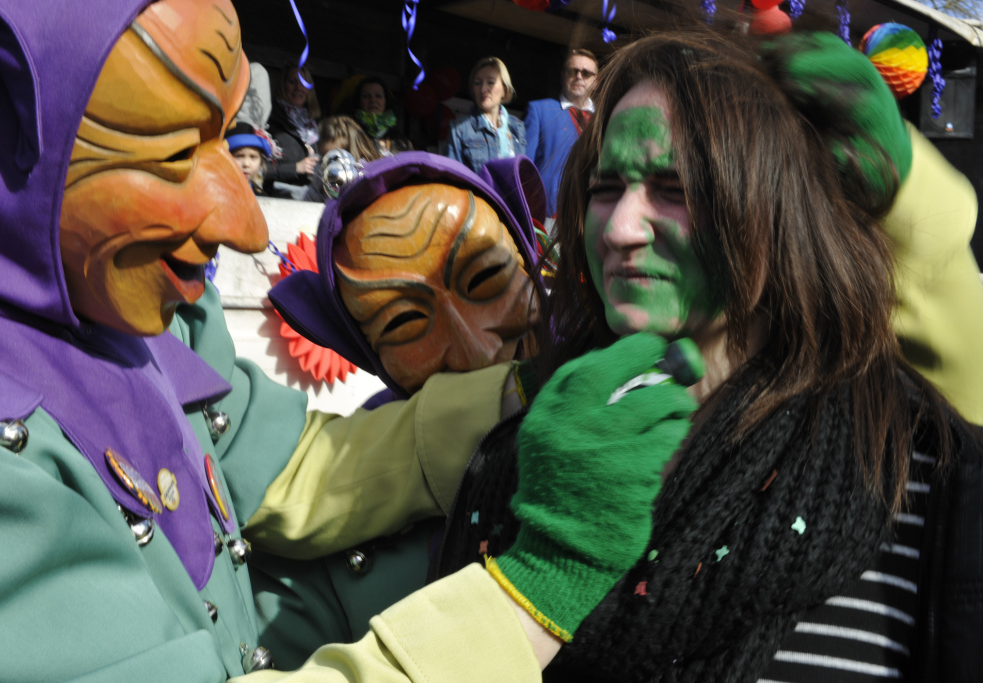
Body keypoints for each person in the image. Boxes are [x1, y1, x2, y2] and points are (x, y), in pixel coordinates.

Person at [0, 0, 682, 679]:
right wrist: (530, 598)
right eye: (178, 151)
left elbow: (288, 470)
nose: (243, 223)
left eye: (226, 137)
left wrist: (524, 387)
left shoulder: (136, 317)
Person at [432, 30, 983, 682]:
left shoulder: (906, 469)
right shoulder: (522, 446)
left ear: (781, 214)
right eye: (608, 187)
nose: (619, 228)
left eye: (676, 187)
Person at [252, 151, 547, 667]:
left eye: (486, 280)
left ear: (529, 262)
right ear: (369, 353)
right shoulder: (332, 536)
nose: (476, 351)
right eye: (405, 323)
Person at [524, 48, 599, 217]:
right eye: (573, 71)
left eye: (586, 73)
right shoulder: (539, 110)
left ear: (596, 81)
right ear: (563, 75)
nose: (579, 76)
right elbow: (525, 169)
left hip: (592, 215)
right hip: (548, 216)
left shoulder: (606, 118)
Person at [447, 56, 527, 174]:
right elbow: (451, 177)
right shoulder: (460, 129)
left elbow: (525, 176)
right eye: (477, 83)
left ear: (504, 89)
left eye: (491, 82)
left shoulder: (518, 127)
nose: (483, 89)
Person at [301, 115, 383, 203]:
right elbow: (309, 202)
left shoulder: (371, 172)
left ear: (355, 150)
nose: (331, 165)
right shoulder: (321, 174)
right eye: (326, 157)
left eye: (336, 158)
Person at [266, 64, 320, 192]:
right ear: (282, 86)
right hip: (279, 199)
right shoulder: (270, 120)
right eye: (292, 82)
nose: (298, 88)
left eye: (304, 83)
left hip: (311, 198)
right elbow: (257, 168)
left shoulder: (314, 125)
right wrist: (295, 168)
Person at [227, 121, 290, 198]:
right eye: (239, 156)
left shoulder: (261, 197)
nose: (246, 164)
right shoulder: (212, 192)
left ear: (261, 161)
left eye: (253, 157)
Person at [350, 76, 412, 155]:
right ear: (359, 102)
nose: (372, 100)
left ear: (386, 101)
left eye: (378, 96)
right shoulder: (349, 135)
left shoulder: (402, 142)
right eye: (366, 96)